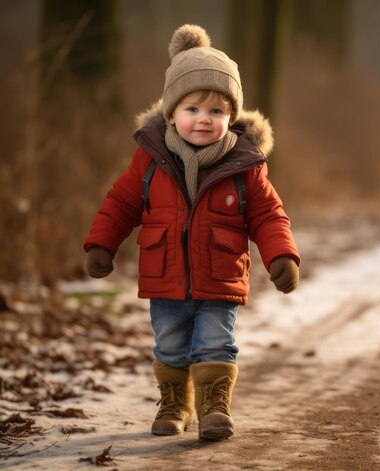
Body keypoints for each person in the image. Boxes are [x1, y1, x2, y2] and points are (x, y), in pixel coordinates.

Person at [83, 24, 300, 441]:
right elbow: (121, 203)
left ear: (231, 117)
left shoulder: (245, 165)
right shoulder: (149, 160)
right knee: (170, 344)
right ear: (171, 113)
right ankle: (174, 403)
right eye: (193, 110)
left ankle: (214, 408)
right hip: (165, 276)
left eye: (217, 112)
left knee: (216, 342)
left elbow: (269, 214)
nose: (204, 120)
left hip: (219, 277)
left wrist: (281, 255)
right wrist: (101, 244)